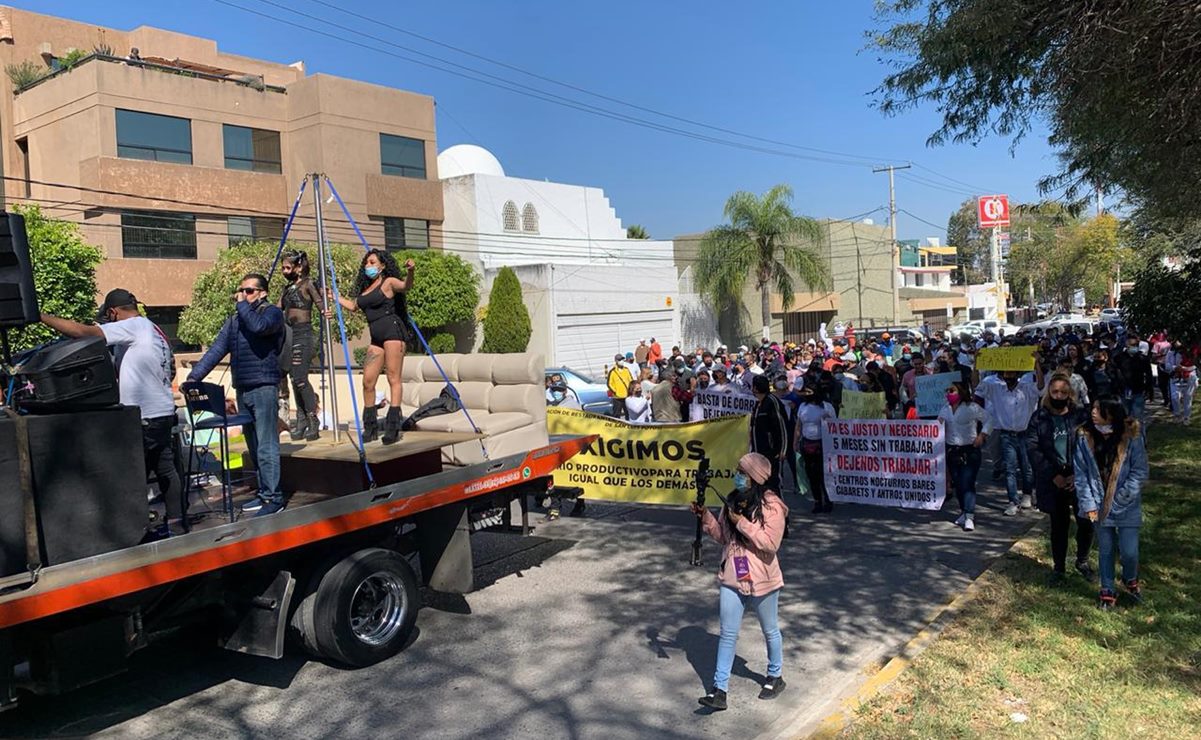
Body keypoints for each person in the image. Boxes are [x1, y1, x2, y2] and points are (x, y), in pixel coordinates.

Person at [41, 289, 185, 535]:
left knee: (130, 473)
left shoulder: (132, 326)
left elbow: (83, 333)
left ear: (113, 312)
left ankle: (135, 533)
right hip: (161, 410)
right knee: (165, 468)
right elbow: (168, 370)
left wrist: (40, 316)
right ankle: (176, 524)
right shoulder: (155, 330)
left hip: (144, 415)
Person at [692, 452, 789, 711]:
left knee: (770, 629)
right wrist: (706, 517)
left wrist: (743, 523)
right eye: (738, 471)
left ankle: (775, 676)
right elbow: (723, 537)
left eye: (742, 472)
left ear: (755, 477)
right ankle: (719, 690)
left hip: (763, 579)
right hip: (733, 576)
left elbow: (770, 544)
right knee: (727, 633)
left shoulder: (772, 506)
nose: (737, 476)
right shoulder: (732, 500)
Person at [187, 274, 287, 516]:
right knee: (253, 445)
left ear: (263, 293)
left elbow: (258, 327)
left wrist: (243, 306)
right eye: (241, 290)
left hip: (264, 387)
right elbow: (217, 349)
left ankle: (275, 498)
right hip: (243, 387)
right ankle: (264, 494)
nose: (243, 294)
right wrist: (194, 377)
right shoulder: (235, 321)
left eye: (249, 291)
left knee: (266, 445)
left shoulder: (272, 313)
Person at [329, 249, 415, 444]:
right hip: (376, 339)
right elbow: (353, 306)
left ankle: (393, 427)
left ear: (382, 265)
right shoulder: (366, 290)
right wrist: (334, 296)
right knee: (368, 381)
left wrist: (411, 271)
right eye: (366, 263)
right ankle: (370, 427)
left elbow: (406, 286)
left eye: (372, 262)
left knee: (393, 378)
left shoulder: (388, 282)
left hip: (393, 333)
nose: (368, 266)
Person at [1073, 395, 1148, 610]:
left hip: (1127, 504)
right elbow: (1081, 474)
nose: (1093, 412)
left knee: (1129, 552)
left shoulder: (1132, 436)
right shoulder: (1085, 437)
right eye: (1093, 408)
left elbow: (1139, 471)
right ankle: (1107, 590)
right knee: (1105, 549)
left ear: (1112, 413)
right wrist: (1089, 504)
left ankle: (1130, 578)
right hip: (1098, 504)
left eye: (1099, 409)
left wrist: (1122, 498)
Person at [1029, 374, 1094, 585]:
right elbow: (1033, 449)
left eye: (1063, 392)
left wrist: (1078, 474)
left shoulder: (1080, 416)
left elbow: (1090, 446)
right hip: (1053, 478)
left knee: (1086, 521)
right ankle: (1059, 568)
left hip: (1078, 477)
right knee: (1059, 526)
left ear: (1070, 393)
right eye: (1055, 391)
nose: (1059, 396)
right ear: (1048, 392)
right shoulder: (1039, 417)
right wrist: (1052, 475)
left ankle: (1082, 561)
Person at [975, 354, 1045, 516]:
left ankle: (1027, 494)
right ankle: (1013, 501)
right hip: (1006, 435)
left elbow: (1041, 387)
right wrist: (975, 366)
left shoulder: (1027, 388)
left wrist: (1036, 364)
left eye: (1012, 372)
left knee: (1027, 468)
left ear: (1017, 374)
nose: (1009, 375)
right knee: (1010, 469)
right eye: (1006, 373)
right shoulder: (995, 389)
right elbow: (976, 387)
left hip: (1025, 434)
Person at [278, 250, 322, 441]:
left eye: (288, 268)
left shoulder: (308, 284)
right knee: (294, 378)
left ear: (298, 267)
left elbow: (320, 303)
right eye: (283, 268)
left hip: (304, 334)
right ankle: (302, 419)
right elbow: (276, 309)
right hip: (290, 335)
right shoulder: (287, 289)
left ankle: (313, 419)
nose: (284, 271)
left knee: (300, 378)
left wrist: (326, 311)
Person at [938, 380, 989, 531]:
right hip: (952, 451)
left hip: (970, 450)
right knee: (958, 483)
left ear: (961, 392)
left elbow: (989, 420)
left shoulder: (972, 408)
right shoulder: (945, 409)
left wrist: (982, 436)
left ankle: (969, 515)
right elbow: (937, 427)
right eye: (947, 391)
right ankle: (963, 511)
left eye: (952, 390)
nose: (949, 394)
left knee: (967, 482)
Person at [795, 385, 837, 513]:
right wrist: (795, 442)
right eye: (805, 392)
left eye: (809, 392)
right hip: (807, 444)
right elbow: (798, 426)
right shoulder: (803, 406)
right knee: (811, 474)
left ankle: (828, 500)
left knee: (823, 474)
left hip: (823, 445)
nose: (806, 394)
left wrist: (827, 420)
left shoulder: (826, 407)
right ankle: (817, 501)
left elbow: (835, 426)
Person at [749, 374, 788, 491]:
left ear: (755, 388)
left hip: (771, 451)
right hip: (758, 451)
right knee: (760, 482)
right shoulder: (757, 405)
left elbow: (782, 426)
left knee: (773, 481)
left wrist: (782, 450)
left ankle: (777, 502)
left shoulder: (772, 402)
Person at [1112, 335, 1153, 420]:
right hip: (1123, 391)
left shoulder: (1143, 359)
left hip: (1138, 390)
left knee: (1138, 417)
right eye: (1132, 345)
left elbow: (1149, 374)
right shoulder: (1119, 358)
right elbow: (1114, 374)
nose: (1134, 347)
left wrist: (1149, 389)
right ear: (1127, 345)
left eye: (1136, 345)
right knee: (1125, 416)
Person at [606, 353, 635, 419]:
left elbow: (631, 381)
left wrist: (631, 390)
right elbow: (609, 384)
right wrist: (615, 392)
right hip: (617, 397)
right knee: (617, 414)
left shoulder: (626, 370)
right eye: (619, 360)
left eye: (622, 359)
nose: (621, 361)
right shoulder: (613, 372)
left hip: (627, 395)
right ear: (616, 361)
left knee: (628, 413)